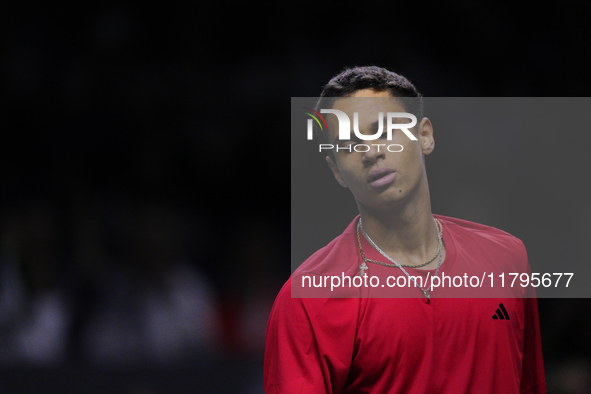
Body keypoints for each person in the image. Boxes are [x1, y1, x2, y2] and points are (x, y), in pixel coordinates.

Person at [265, 66, 546, 393]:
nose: (371, 152)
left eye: (384, 130)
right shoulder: (308, 298)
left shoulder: (507, 258)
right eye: (349, 145)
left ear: (424, 135)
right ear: (336, 171)